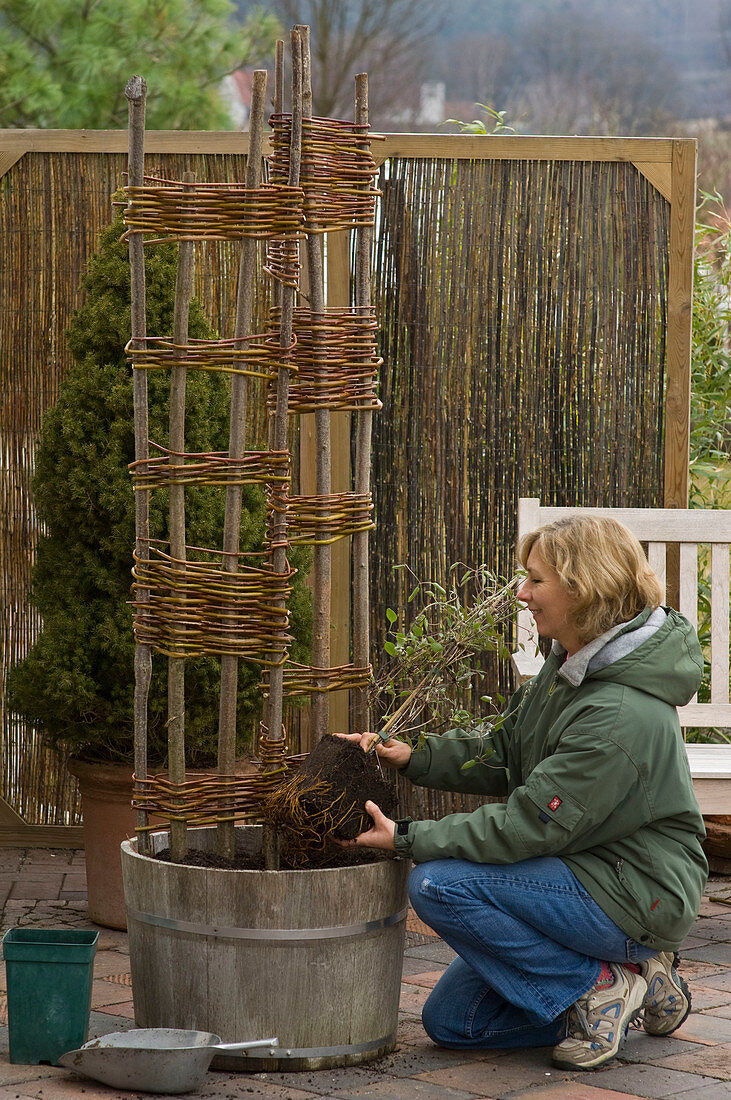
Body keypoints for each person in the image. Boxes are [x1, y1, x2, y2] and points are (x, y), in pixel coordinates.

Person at [338, 514, 708, 1071]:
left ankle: (600, 984)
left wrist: (408, 837)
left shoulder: (619, 714)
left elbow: (529, 824)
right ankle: (639, 981)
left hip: (636, 891)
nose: (522, 593)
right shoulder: (571, 663)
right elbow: (508, 751)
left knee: (440, 883)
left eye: (536, 580)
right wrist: (415, 756)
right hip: (583, 865)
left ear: (584, 588)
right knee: (456, 1025)